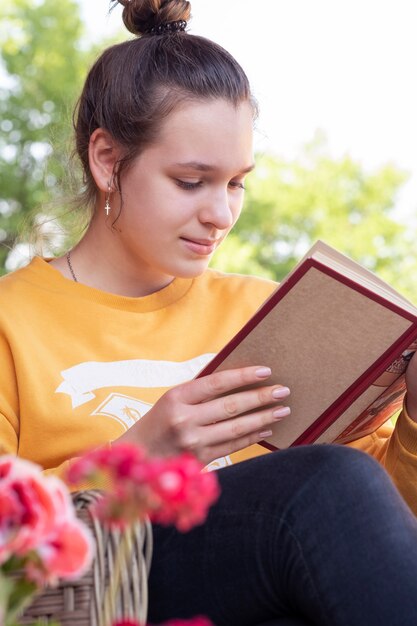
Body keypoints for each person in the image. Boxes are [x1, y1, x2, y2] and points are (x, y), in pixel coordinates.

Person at [1, 1, 417, 624]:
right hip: (88, 595)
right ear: (108, 161)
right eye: (192, 182)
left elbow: (377, 536)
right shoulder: (14, 320)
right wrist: (141, 458)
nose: (221, 215)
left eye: (236, 183)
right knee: (326, 484)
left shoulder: (265, 310)